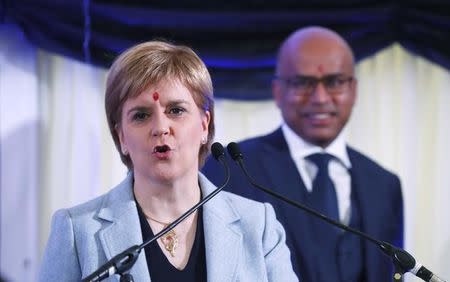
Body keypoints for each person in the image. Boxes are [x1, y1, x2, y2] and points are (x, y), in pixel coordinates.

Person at [39, 41, 298, 282]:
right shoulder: (77, 230)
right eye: (141, 115)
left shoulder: (258, 225)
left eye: (176, 110)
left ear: (204, 125)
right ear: (121, 137)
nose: (161, 127)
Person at [203, 26, 404, 282]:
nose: (320, 98)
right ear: (277, 92)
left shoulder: (384, 184)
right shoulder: (231, 169)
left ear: (353, 89)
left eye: (334, 82)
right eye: (302, 83)